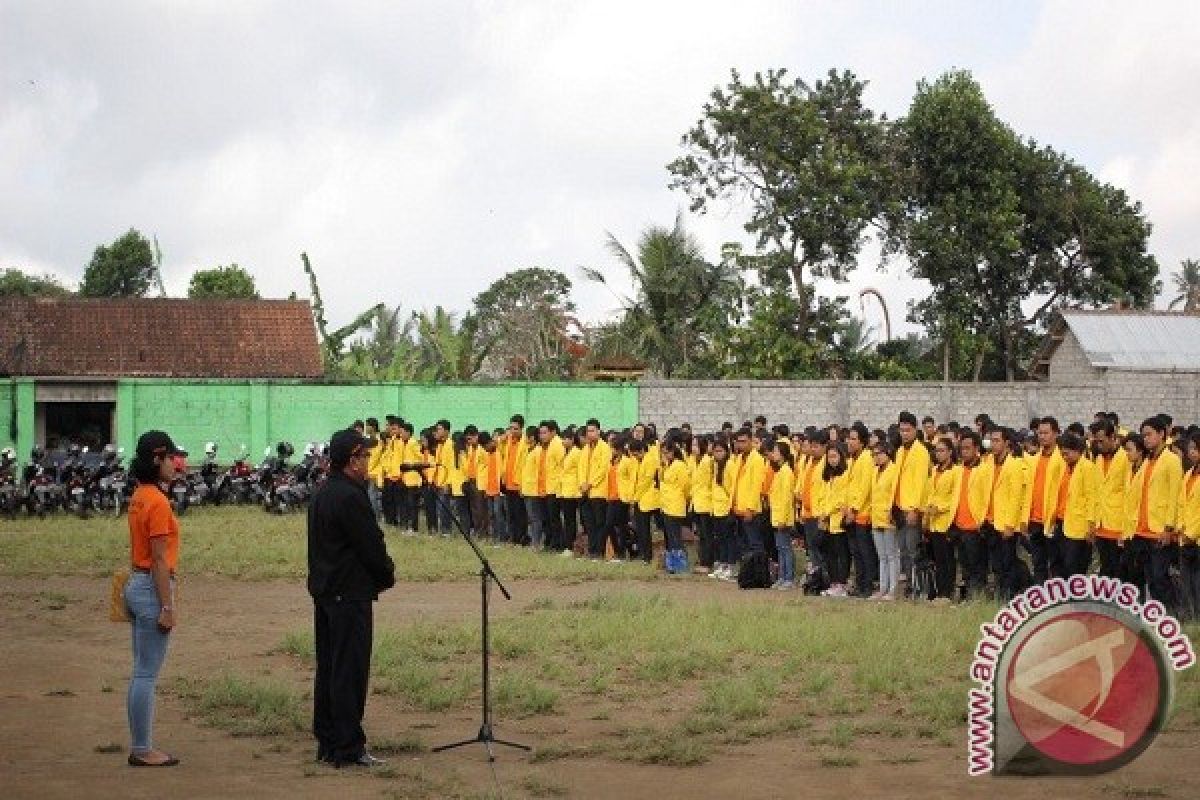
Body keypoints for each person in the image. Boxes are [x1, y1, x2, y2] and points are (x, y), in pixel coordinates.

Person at [308, 428, 396, 768]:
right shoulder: (350, 496)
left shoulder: (323, 492)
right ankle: (347, 745)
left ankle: (328, 740)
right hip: (349, 594)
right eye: (365, 457)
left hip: (328, 592)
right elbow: (370, 545)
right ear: (353, 460)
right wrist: (386, 574)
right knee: (349, 671)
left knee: (329, 667)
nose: (369, 463)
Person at [124, 430, 183, 767]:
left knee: (140, 671)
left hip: (136, 583)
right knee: (146, 673)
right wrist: (167, 606)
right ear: (156, 459)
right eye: (170, 457)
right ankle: (142, 748)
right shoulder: (158, 502)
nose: (176, 463)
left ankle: (140, 745)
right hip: (151, 588)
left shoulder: (140, 496)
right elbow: (159, 560)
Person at [1023, 417, 1066, 583]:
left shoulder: (1062, 459)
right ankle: (1040, 596)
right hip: (1035, 519)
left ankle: (1057, 598)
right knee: (1038, 562)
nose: (1042, 436)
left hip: (1053, 519)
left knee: (1056, 563)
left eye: (1046, 433)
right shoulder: (1034, 459)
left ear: (1056, 433)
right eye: (1039, 433)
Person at [894, 412, 932, 595]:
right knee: (903, 550)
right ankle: (910, 583)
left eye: (907, 430)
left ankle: (918, 586)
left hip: (912, 509)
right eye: (901, 430)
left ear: (915, 430)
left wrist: (915, 509)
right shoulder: (901, 450)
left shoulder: (921, 452)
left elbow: (921, 483)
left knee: (913, 550)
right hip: (900, 508)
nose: (904, 434)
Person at [1090, 418, 1130, 578]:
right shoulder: (1098, 459)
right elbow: (1095, 492)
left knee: (1119, 570)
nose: (1098, 445)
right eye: (1096, 441)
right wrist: (1092, 522)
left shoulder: (1126, 458)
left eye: (1101, 441)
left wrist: (1125, 528)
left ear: (1113, 437)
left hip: (1117, 525)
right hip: (1101, 525)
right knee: (1106, 567)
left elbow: (1129, 494)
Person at [1056, 433, 1099, 577]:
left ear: (1076, 450)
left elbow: (1092, 497)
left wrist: (1091, 525)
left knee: (1074, 566)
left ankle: (1076, 597)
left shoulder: (1087, 468)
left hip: (1080, 526)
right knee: (1062, 564)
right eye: (1062, 454)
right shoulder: (1065, 467)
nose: (1064, 457)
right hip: (1063, 522)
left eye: (1067, 454)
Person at [924, 437, 961, 602]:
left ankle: (948, 592)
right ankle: (940, 592)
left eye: (942, 450)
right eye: (937, 451)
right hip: (933, 521)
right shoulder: (934, 470)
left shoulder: (955, 471)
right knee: (938, 559)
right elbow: (930, 493)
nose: (938, 454)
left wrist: (939, 507)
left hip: (946, 520)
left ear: (950, 452)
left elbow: (955, 496)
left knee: (948, 559)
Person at [869, 441, 899, 600]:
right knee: (882, 556)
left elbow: (893, 494)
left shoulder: (894, 470)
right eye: (874, 454)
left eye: (879, 453)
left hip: (888, 518)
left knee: (892, 555)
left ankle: (892, 590)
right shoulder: (875, 471)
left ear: (888, 453)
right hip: (876, 517)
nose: (877, 457)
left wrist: (891, 513)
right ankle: (882, 588)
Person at [768, 440, 797, 589]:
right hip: (777, 515)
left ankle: (789, 577)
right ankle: (782, 575)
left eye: (776, 451)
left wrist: (784, 519)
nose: (773, 454)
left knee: (785, 548)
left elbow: (787, 498)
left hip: (783, 517)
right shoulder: (780, 471)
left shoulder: (786, 472)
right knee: (780, 547)